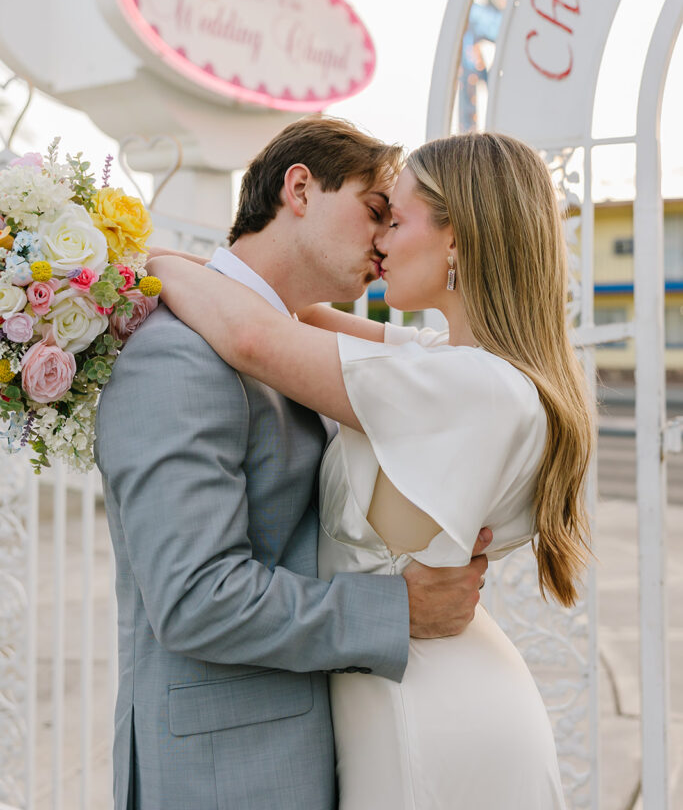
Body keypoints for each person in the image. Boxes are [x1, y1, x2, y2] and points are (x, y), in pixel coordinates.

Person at [149, 129, 594, 810]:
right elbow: (292, 312)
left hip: (428, 711)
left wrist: (138, 262)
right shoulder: (450, 364)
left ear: (456, 238)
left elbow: (253, 337)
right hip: (402, 685)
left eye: (398, 217)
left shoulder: (463, 386)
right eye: (376, 213)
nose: (381, 236)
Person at [95, 116, 491, 810]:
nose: (385, 239)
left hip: (324, 746)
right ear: (300, 189)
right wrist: (396, 609)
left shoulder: (288, 346)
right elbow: (195, 600)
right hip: (229, 773)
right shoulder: (179, 353)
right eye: (375, 211)